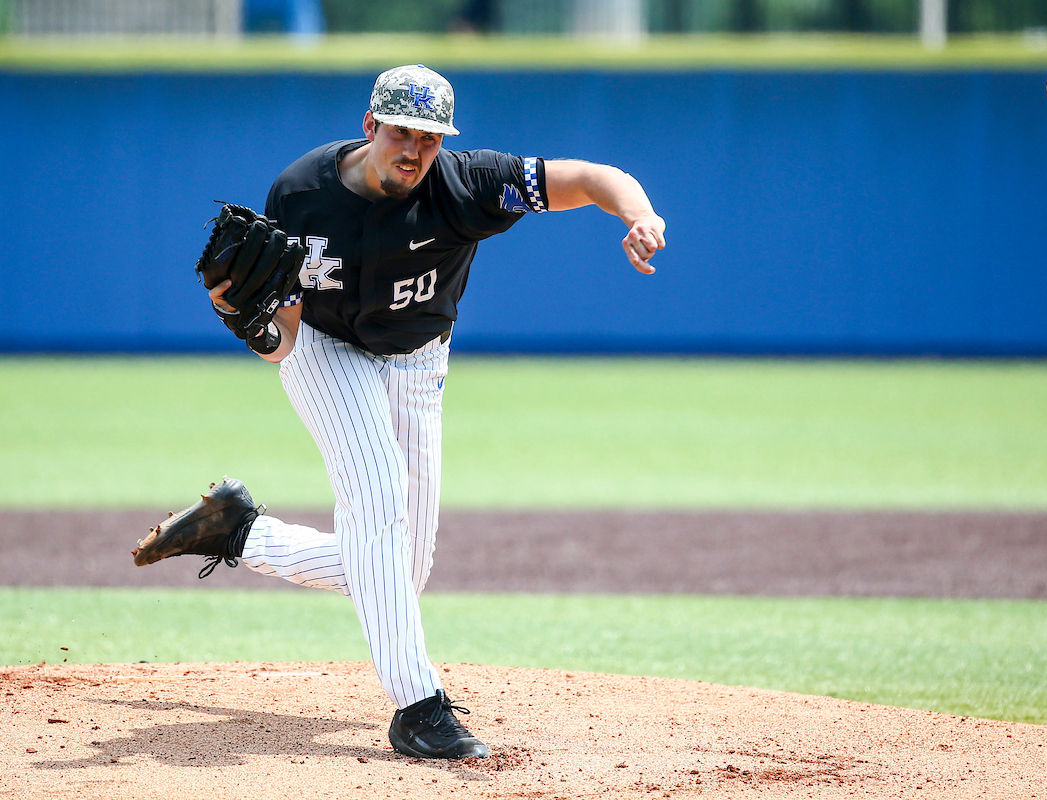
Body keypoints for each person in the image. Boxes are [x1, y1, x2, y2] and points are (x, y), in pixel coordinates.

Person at [131, 64, 666, 760]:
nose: (415, 150)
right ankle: (419, 708)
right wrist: (249, 324)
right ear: (370, 126)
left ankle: (240, 532)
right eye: (402, 133)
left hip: (419, 359)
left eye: (431, 138)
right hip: (327, 350)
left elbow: (592, 178)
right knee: (378, 503)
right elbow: (283, 338)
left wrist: (639, 214)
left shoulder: (469, 184)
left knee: (401, 571)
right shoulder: (301, 193)